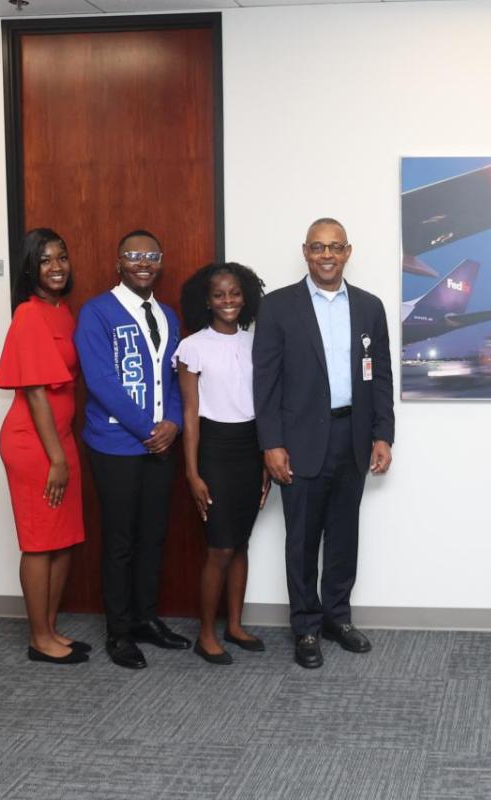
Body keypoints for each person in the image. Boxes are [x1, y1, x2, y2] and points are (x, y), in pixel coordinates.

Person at [253, 217, 395, 669]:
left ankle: (337, 617)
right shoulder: (277, 307)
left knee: (343, 536)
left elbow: (382, 377)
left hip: (352, 436)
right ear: (305, 251)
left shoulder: (370, 307)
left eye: (335, 247)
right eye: (318, 247)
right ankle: (307, 627)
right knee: (301, 540)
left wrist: (382, 434)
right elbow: (266, 383)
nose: (327, 256)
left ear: (348, 251)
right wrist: (271, 443)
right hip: (299, 442)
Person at [75, 229, 189, 669]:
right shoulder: (98, 312)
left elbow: (174, 376)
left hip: (159, 445)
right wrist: (149, 428)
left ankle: (145, 618)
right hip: (115, 445)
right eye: (134, 255)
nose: (144, 262)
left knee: (153, 537)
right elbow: (101, 382)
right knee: (121, 540)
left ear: (160, 261)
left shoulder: (167, 315)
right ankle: (119, 631)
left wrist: (174, 423)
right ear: (118, 262)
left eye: (152, 255)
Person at [0, 228, 89, 664]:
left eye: (62, 257)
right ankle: (38, 639)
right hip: (35, 444)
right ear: (31, 267)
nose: (57, 267)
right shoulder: (29, 315)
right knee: (39, 541)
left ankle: (51, 629)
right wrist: (55, 458)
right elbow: (34, 392)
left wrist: (63, 451)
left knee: (63, 538)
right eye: (46, 259)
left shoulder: (62, 312)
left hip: (60, 439)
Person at [175, 262, 269, 665]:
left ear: (245, 296)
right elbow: (191, 414)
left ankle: (234, 625)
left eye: (234, 293)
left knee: (241, 542)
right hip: (214, 447)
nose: (227, 301)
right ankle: (206, 634)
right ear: (206, 301)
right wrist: (192, 472)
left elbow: (264, 407)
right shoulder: (193, 346)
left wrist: (266, 456)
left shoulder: (255, 343)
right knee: (219, 546)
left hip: (251, 447)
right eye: (219, 295)